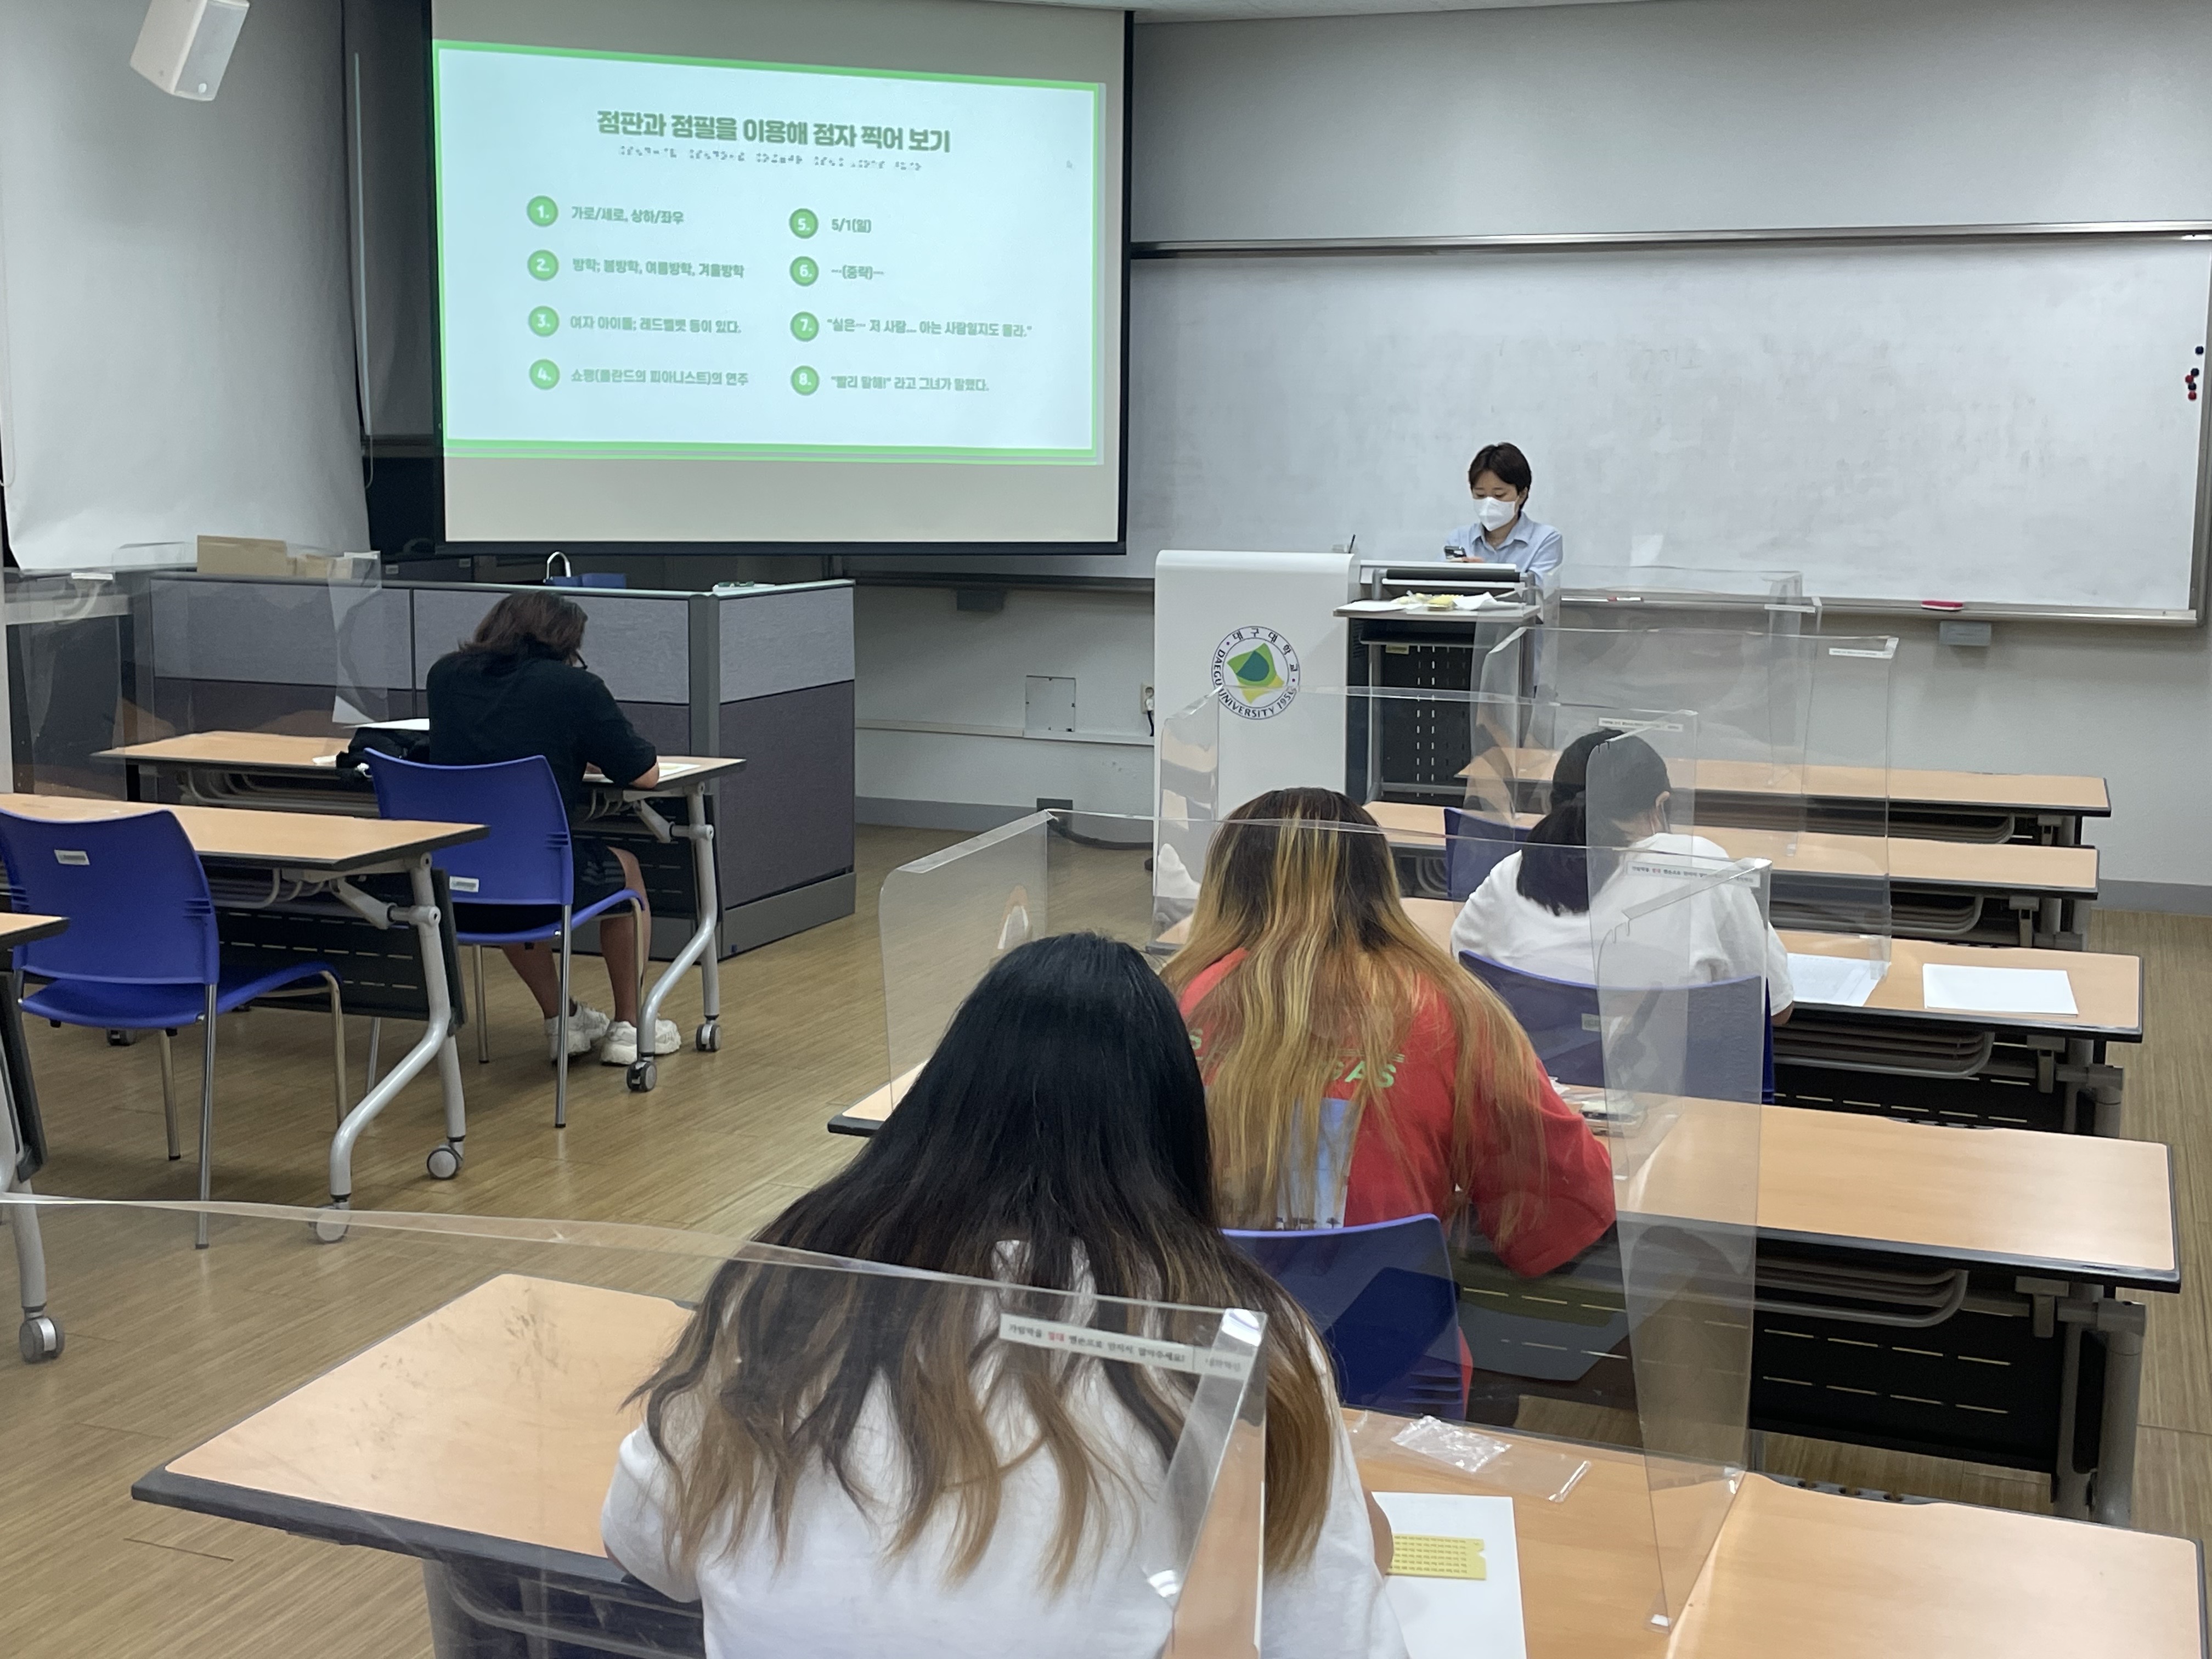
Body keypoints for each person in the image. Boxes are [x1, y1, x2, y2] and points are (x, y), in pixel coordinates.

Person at [602, 933, 1405, 1659]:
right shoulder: (1232, 1335)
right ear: (1172, 1131)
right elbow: (1330, 1639)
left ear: (941, 1103)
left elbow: (644, 1545)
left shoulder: (788, 1285)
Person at [1163, 790, 1613, 1280]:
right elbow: (1562, 1205)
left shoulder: (1167, 1000)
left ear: (1223, 886)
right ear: (1379, 880)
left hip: (1189, 1317)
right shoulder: (1452, 1010)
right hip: (1382, 1321)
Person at [425, 591, 678, 1068]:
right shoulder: (574, 688)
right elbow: (644, 774)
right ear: (565, 641)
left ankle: (562, 1018)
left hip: (456, 879)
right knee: (627, 870)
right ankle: (629, 1026)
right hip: (542, 878)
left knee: (504, 881)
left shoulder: (445, 677)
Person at [1449, 730, 1796, 1021]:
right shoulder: (1702, 865)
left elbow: (1461, 977)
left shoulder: (1510, 873)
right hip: (1665, 1080)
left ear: (1552, 804)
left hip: (1530, 1079)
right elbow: (1776, 1007)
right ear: (1661, 805)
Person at [1442, 441, 1562, 580]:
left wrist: (1485, 576)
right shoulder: (1459, 538)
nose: (1489, 503)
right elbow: (1438, 583)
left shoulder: (1545, 539)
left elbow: (1538, 589)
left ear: (1522, 495)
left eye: (1499, 495)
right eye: (1480, 495)